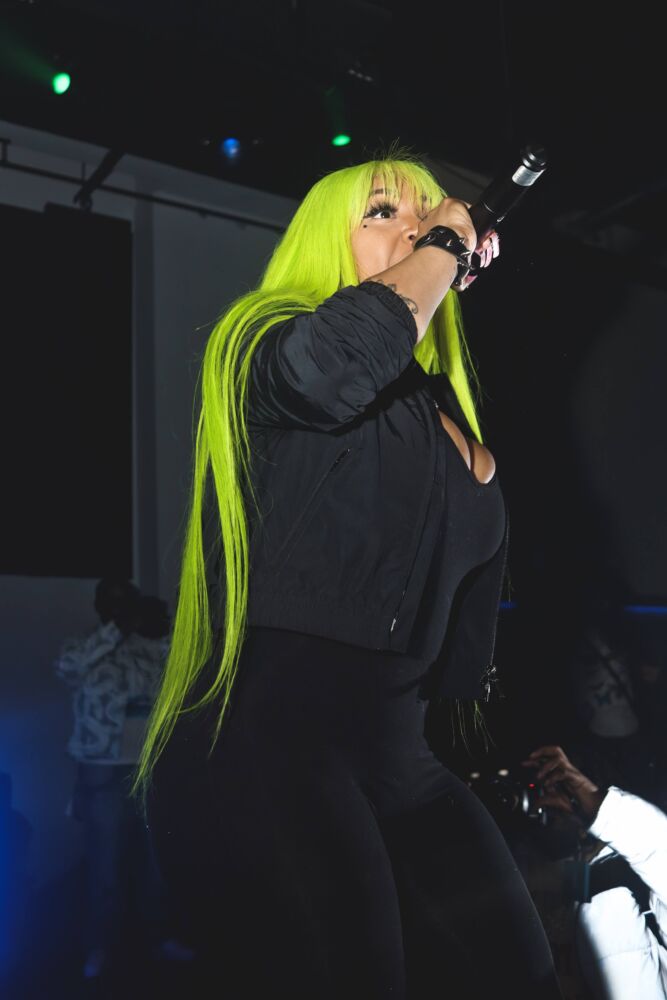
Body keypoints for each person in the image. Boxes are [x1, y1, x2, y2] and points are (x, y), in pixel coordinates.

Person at [135, 154, 563, 998]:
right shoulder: (265, 340)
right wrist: (444, 242)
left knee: (520, 977)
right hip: (271, 743)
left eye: (425, 214)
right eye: (381, 213)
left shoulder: (435, 404)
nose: (415, 226)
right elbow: (332, 368)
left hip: (401, 751)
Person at [54, 580, 188, 979]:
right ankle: (99, 948)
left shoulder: (143, 646)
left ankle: (160, 938)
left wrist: (161, 627)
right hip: (104, 772)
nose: (121, 607)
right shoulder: (84, 646)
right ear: (100, 607)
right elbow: (67, 667)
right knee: (104, 868)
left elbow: (175, 667)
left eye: (127, 600)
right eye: (113, 602)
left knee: (155, 865)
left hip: (148, 770)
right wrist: (118, 628)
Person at [523, 744, 667, 999]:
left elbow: (656, 847)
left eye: (563, 787)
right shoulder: (580, 873)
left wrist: (593, 801)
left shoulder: (631, 873)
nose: (553, 801)